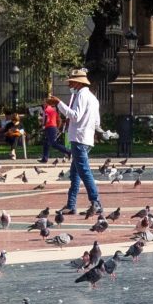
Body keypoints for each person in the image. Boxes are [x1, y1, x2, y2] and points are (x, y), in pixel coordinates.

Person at [58, 68, 103, 217]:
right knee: (75, 173)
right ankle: (71, 205)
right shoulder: (92, 97)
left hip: (79, 138)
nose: (69, 84)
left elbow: (75, 116)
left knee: (83, 171)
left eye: (71, 81)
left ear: (77, 83)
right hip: (86, 138)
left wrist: (58, 104)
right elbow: (97, 121)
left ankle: (96, 202)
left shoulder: (81, 96)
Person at [38, 89, 65, 163]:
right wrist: (57, 128)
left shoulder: (47, 110)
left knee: (53, 143)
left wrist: (43, 125)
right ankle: (45, 158)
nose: (43, 103)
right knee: (46, 143)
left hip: (50, 128)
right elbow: (59, 119)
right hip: (52, 127)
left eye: (44, 102)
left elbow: (46, 119)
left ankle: (68, 151)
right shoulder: (53, 110)